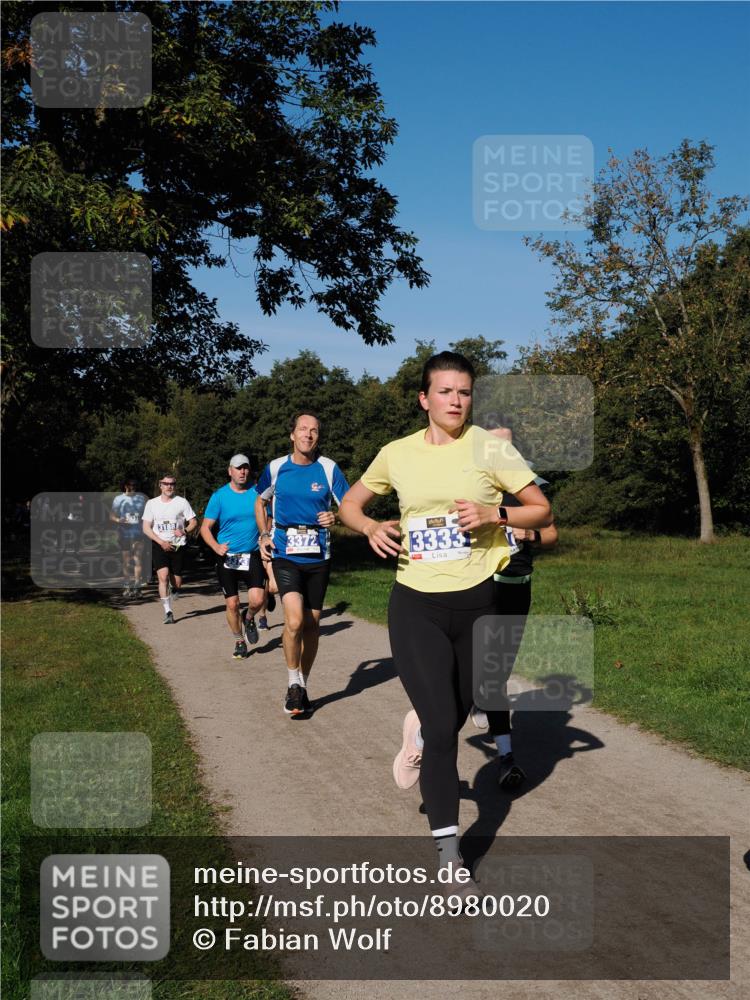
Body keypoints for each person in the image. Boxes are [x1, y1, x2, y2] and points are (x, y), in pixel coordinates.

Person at [338, 351, 552, 894]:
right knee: (442, 731)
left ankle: (416, 733)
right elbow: (350, 505)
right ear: (424, 399)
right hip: (416, 603)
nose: (456, 401)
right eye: (445, 391)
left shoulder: (490, 448)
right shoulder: (397, 453)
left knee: (457, 712)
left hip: (479, 605)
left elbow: (541, 510)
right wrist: (369, 527)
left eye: (464, 392)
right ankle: (451, 857)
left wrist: (495, 514)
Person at [469, 426, 558, 789]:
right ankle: (506, 757)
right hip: (483, 584)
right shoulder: (476, 489)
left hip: (519, 587)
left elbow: (551, 534)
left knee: (499, 668)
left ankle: (483, 700)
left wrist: (529, 534)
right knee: (485, 668)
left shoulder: (528, 490)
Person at [256, 412, 349, 717]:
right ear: (292, 435)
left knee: (311, 624)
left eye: (314, 431)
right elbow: (260, 501)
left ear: (318, 437)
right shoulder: (276, 468)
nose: (308, 434)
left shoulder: (329, 468)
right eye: (303, 429)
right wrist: (264, 534)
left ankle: (302, 685)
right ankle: (292, 682)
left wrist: (336, 516)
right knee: (294, 621)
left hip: (319, 557)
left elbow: (350, 506)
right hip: (285, 554)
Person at [200, 454, 265, 660]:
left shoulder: (258, 492)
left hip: (252, 554)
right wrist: (215, 546)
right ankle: (239, 640)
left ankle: (249, 617)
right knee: (232, 604)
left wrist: (265, 536)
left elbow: (269, 516)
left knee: (257, 600)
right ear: (230, 471)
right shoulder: (219, 496)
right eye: (238, 468)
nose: (242, 472)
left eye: (245, 468)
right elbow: (205, 528)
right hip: (227, 557)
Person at [142, 475, 197, 624]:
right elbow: (146, 528)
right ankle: (168, 612)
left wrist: (184, 531)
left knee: (177, 582)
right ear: (160, 485)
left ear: (175, 486)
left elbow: (193, 522)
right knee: (163, 577)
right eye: (166, 484)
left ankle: (175, 588)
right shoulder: (152, 504)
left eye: (172, 484)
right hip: (159, 545)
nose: (169, 486)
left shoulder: (182, 502)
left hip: (177, 545)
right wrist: (161, 542)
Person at [110, 479, 147, 597]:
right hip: (124, 533)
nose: (133, 487)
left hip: (138, 533)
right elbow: (111, 515)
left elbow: (147, 514)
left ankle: (137, 586)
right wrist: (118, 520)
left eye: (135, 485)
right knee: (126, 561)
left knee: (138, 559)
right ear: (125, 486)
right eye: (131, 485)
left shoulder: (141, 498)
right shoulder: (118, 499)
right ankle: (127, 586)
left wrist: (144, 521)